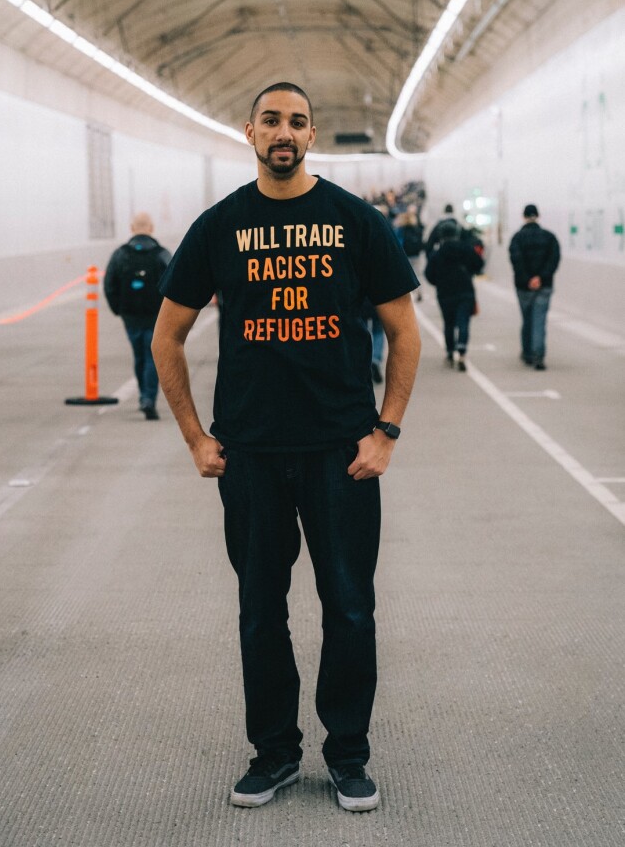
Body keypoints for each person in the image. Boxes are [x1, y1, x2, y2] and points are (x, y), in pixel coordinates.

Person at [152, 83, 421, 812]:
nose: (284, 131)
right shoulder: (220, 226)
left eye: (297, 121)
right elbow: (165, 336)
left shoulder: (354, 221)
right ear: (249, 132)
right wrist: (195, 439)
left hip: (341, 452)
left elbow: (404, 330)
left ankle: (348, 755)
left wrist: (386, 431)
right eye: (271, 119)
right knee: (260, 609)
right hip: (252, 456)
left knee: (350, 607)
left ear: (311, 135)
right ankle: (273, 753)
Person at [104, 212, 172, 419]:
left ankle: (144, 395)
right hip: (156, 315)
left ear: (132, 228)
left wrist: (119, 309)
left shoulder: (120, 254)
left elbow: (109, 284)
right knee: (153, 355)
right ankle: (148, 398)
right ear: (151, 228)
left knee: (139, 355)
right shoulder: (162, 254)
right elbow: (175, 282)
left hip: (130, 315)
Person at [424, 220, 483, 370]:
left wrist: (438, 282)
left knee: (448, 323)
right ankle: (462, 352)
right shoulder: (466, 248)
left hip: (445, 292)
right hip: (465, 290)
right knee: (463, 321)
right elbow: (479, 264)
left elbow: (429, 274)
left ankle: (450, 352)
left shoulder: (438, 253)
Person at [509, 204, 561, 370]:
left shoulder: (517, 238)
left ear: (523, 216)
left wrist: (528, 279)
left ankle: (527, 353)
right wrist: (541, 278)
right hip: (544, 285)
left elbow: (516, 261)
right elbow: (554, 260)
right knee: (539, 320)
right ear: (538, 216)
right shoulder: (550, 237)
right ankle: (538, 356)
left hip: (523, 287)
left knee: (527, 319)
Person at [397, 206, 424, 300]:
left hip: (405, 254)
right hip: (415, 254)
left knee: (405, 274)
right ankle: (419, 292)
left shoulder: (401, 228)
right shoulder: (416, 227)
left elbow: (398, 241)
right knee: (417, 273)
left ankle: (408, 294)